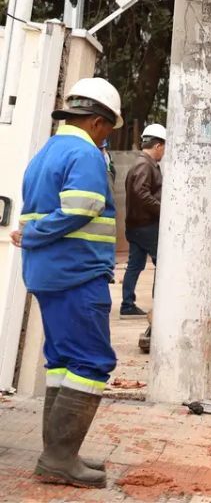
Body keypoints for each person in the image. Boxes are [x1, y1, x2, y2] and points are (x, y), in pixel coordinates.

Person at [11, 77, 123, 488]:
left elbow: (28, 220)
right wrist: (39, 235)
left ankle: (60, 453)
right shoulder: (85, 152)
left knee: (61, 361)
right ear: (97, 122)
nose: (108, 136)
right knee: (92, 362)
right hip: (77, 273)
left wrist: (34, 236)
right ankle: (59, 457)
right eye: (109, 129)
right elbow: (83, 207)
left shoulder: (44, 154)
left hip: (46, 273)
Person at [120, 123, 166, 318]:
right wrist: (163, 210)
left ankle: (127, 304)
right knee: (164, 261)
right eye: (164, 148)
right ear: (158, 146)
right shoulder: (145, 165)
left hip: (136, 226)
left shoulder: (140, 164)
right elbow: (141, 193)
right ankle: (163, 302)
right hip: (146, 226)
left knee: (135, 264)